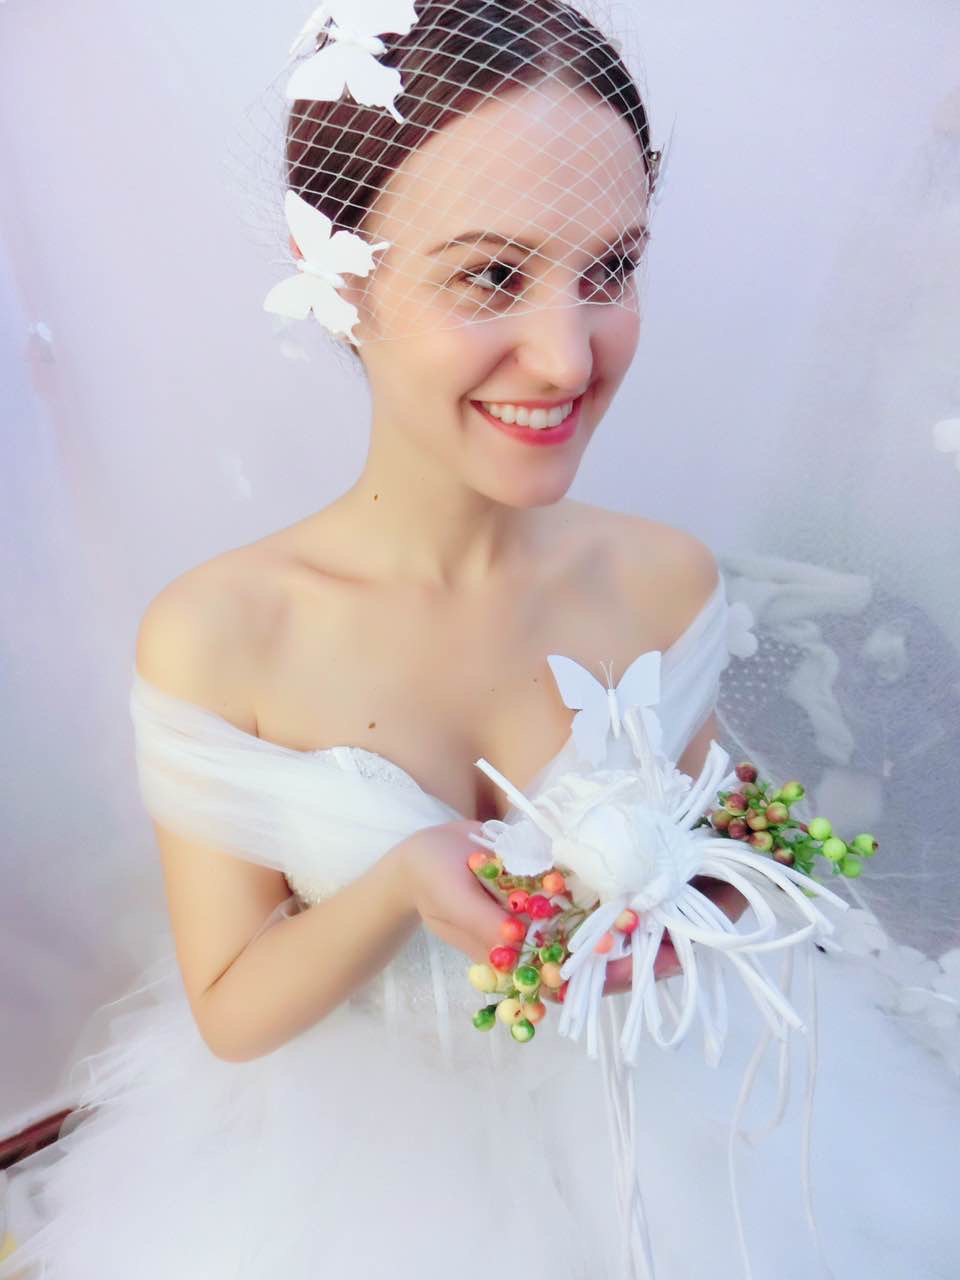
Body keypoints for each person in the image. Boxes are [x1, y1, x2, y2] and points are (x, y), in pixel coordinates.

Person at [2, 4, 956, 1277]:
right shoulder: (224, 633)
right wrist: (402, 879)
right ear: (341, 276)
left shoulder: (662, 579)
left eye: (610, 268)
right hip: (350, 1186)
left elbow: (723, 833)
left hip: (695, 1134)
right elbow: (230, 1006)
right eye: (493, 275)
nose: (566, 356)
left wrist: (712, 888)